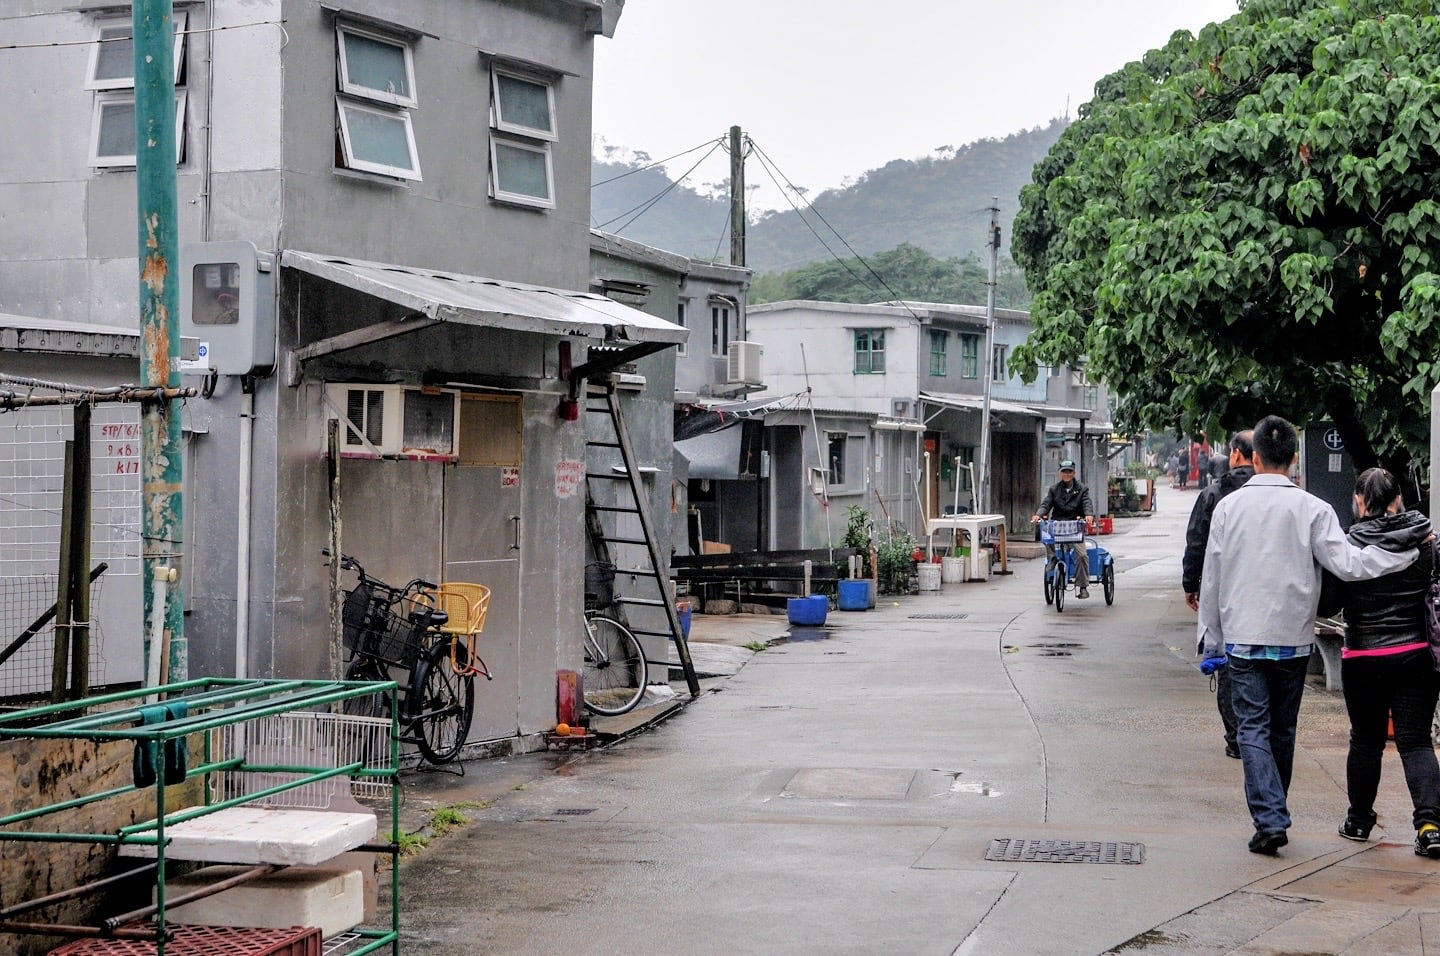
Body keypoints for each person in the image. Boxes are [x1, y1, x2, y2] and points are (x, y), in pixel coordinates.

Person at [1197, 415, 1420, 856]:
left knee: (1252, 730)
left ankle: (1270, 818)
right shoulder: (1314, 509)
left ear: (1255, 457)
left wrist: (1211, 637)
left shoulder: (1229, 508)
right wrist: (1405, 556)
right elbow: (1350, 565)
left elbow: (1212, 578)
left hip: (1244, 637)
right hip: (1294, 639)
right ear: (1295, 459)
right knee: (1282, 730)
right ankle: (1272, 813)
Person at [1317, 467, 1440, 859]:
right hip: (1416, 653)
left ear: (1358, 501)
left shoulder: (1348, 547)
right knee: (1416, 742)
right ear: (1397, 498)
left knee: (1366, 742)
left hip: (1364, 656)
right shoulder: (1427, 541)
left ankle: (1358, 821)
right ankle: (1430, 826)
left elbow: (1329, 604)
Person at [1182, 430, 1255, 759]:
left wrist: (1191, 584)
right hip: (1270, 596)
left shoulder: (1215, 494)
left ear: (1237, 454)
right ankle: (1260, 734)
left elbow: (1196, 540)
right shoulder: (1287, 495)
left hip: (1226, 593)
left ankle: (1236, 738)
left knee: (1228, 662)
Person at [1030, 459, 1095, 599]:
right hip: (1058, 524)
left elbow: (1086, 503)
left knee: (1082, 555)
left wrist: (1089, 515)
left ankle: (1082, 586)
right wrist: (1038, 515)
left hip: (1075, 525)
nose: (1067, 474)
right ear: (1060, 473)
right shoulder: (1054, 489)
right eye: (1064, 471)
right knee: (1046, 534)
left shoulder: (1082, 489)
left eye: (1069, 471)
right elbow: (1046, 504)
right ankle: (1052, 558)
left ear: (1074, 473)